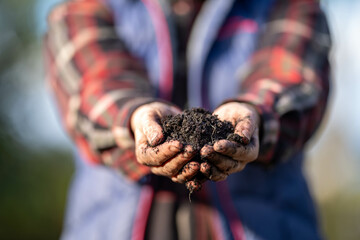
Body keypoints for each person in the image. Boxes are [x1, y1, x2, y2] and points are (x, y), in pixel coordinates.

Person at [44, 0, 331, 239]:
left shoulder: (284, 4)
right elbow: (94, 84)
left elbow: (293, 77)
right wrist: (134, 117)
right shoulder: (91, 6)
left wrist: (256, 113)